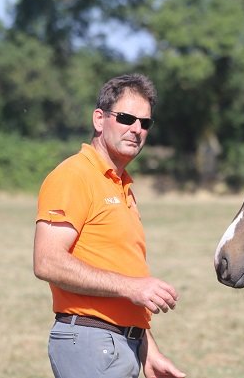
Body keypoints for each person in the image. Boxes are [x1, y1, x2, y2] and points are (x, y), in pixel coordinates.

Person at [33, 73, 186, 378]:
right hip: (91, 341)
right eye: (127, 118)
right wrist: (132, 287)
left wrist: (148, 349)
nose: (137, 129)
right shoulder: (74, 175)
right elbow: (47, 261)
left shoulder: (122, 186)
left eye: (145, 123)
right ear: (99, 119)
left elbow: (125, 276)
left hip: (123, 344)